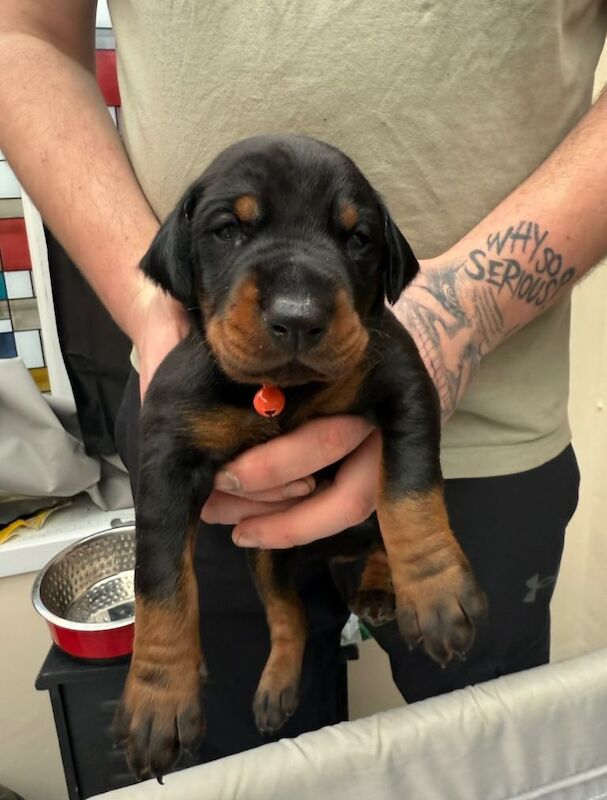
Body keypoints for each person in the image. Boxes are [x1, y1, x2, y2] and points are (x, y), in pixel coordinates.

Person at [1, 0, 605, 765]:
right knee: (249, 759)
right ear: (185, 251)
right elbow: (19, 34)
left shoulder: (380, 353)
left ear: (382, 262)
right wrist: (151, 313)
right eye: (231, 229)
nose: (295, 305)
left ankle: (396, 560)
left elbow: (401, 392)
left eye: (354, 240)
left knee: (489, 755)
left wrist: (460, 322)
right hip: (198, 403)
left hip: (489, 438)